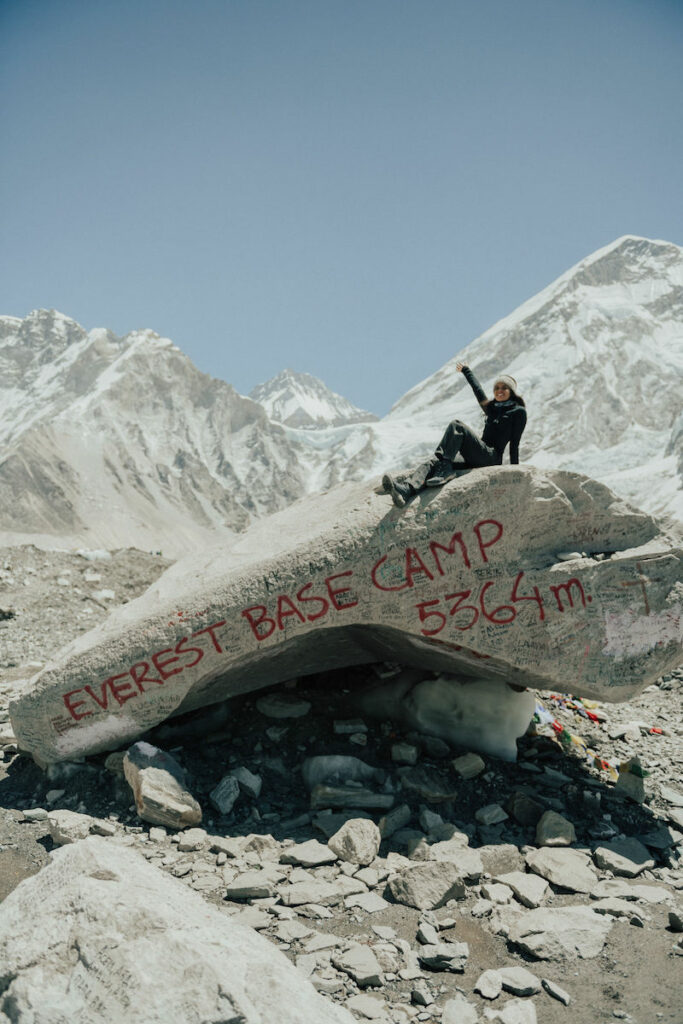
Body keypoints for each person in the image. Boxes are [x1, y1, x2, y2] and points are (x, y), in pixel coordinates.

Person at [382, 362, 527, 508]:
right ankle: (407, 490)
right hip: (476, 456)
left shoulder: (518, 412)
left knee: (457, 425)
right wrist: (466, 370)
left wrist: (515, 473)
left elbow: (515, 444)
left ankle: (445, 470)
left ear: (512, 392)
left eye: (504, 388)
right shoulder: (491, 408)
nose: (499, 391)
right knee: (435, 461)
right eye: (496, 388)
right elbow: (478, 390)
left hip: (491, 457)